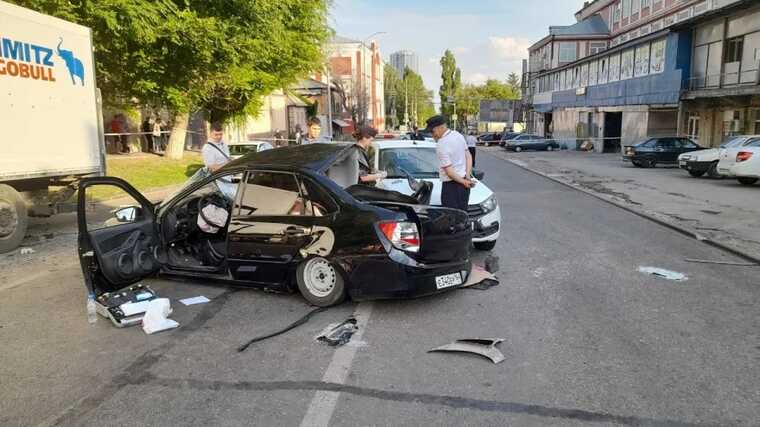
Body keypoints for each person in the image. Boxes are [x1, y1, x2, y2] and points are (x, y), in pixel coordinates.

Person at [426, 115, 474, 212]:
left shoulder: (441, 144)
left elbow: (450, 172)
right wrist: (467, 176)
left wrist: (464, 181)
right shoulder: (458, 135)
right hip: (464, 185)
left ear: (441, 127)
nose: (432, 135)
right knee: (462, 216)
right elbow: (468, 156)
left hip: (451, 187)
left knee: (451, 219)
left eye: (432, 131)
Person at [202, 122, 236, 199]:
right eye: (216, 135)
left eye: (220, 134)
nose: (218, 137)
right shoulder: (207, 148)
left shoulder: (224, 144)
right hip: (219, 181)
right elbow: (212, 168)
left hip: (229, 178)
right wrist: (228, 163)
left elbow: (226, 158)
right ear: (210, 133)